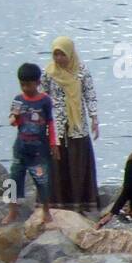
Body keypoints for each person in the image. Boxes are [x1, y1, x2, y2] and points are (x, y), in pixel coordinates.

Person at [42, 35, 100, 213]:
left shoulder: (81, 71)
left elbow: (89, 95)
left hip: (77, 125)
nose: (59, 59)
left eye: (62, 54)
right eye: (56, 55)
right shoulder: (49, 73)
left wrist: (94, 118)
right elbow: (43, 97)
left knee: (77, 163)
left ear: (70, 53)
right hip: (56, 124)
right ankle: (58, 203)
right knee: (57, 164)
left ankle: (80, 204)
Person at [4, 62, 56, 226]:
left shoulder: (45, 101)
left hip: (39, 149)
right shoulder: (18, 100)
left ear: (38, 83)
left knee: (42, 180)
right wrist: (14, 118)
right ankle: (12, 211)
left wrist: (54, 144)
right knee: (13, 178)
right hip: (21, 147)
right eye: (22, 84)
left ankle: (46, 210)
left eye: (29, 84)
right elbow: (13, 121)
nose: (25, 88)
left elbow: (50, 123)